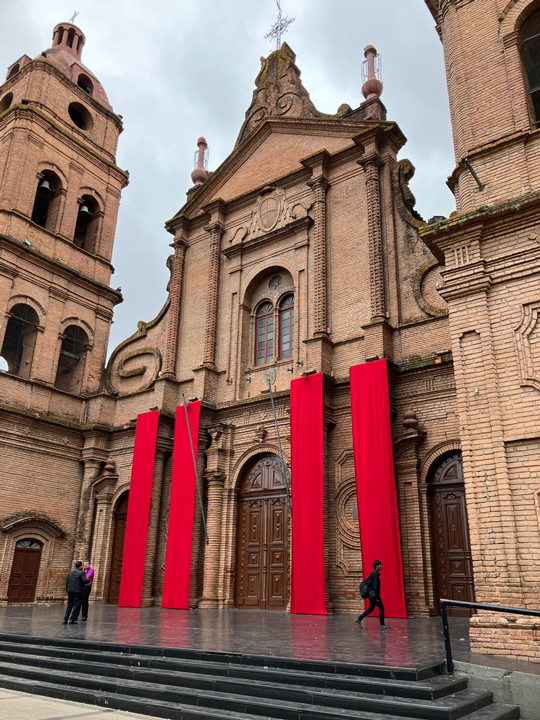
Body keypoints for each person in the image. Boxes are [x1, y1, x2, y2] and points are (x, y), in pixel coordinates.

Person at [354, 560, 390, 630]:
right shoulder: (375, 574)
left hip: (372, 594)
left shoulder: (374, 573)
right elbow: (375, 586)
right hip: (373, 595)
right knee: (381, 608)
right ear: (377, 566)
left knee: (371, 608)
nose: (381, 566)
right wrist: (377, 597)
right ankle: (382, 624)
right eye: (380, 565)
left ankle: (358, 619)